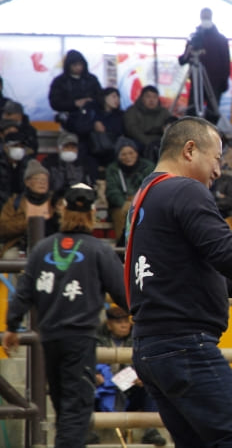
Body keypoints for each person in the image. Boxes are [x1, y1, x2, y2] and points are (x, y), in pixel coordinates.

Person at [126, 116, 232, 448]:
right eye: (217, 159)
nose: (219, 171)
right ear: (190, 150)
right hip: (185, 344)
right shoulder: (185, 188)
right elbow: (224, 251)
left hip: (150, 347)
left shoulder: (143, 198)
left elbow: (202, 274)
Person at [2, 183, 127, 448]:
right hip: (80, 340)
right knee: (75, 412)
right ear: (92, 214)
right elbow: (124, 294)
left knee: (62, 408)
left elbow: (23, 293)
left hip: (50, 339)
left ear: (62, 210)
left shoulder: (42, 249)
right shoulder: (99, 250)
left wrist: (12, 326)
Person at [91, 305, 167, 446]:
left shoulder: (138, 340)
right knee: (86, 385)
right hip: (103, 392)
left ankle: (151, 431)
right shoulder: (95, 340)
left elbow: (146, 364)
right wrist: (94, 375)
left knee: (150, 384)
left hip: (129, 392)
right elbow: (86, 364)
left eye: (126, 321)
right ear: (109, 325)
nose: (124, 325)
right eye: (119, 322)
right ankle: (89, 431)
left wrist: (141, 376)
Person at [178, 8, 230, 124]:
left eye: (207, 16)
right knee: (193, 110)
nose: (205, 18)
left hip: (215, 83)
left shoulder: (220, 39)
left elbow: (226, 63)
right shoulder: (194, 38)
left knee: (212, 112)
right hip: (196, 81)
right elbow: (184, 58)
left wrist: (223, 83)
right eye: (204, 16)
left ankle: (210, 135)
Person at [48, 49, 103, 154]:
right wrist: (74, 104)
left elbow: (100, 97)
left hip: (90, 121)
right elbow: (54, 102)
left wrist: (90, 101)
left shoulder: (91, 79)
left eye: (80, 64)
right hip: (68, 122)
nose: (78, 67)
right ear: (68, 66)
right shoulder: (60, 81)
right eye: (75, 65)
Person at [0, 159, 57, 259]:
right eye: (38, 179)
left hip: (52, 245)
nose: (42, 183)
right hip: (19, 245)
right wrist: (30, 223)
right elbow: (3, 228)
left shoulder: (55, 202)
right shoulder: (15, 202)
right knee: (9, 257)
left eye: (45, 180)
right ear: (27, 182)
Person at [105, 137, 155, 243]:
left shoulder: (148, 167)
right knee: (122, 212)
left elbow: (150, 187)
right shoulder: (113, 169)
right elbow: (112, 190)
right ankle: (124, 245)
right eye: (123, 154)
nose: (128, 157)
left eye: (131, 153)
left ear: (136, 153)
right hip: (121, 204)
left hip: (143, 203)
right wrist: (124, 203)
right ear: (118, 156)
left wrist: (136, 202)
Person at [123, 85, 172, 152]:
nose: (151, 100)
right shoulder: (132, 111)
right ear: (142, 98)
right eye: (148, 97)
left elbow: (172, 125)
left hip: (160, 141)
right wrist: (149, 142)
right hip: (138, 142)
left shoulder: (164, 112)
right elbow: (133, 130)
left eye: (155, 97)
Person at [91, 86, 125, 166]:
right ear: (104, 98)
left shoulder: (121, 115)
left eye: (118, 97)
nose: (117, 99)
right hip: (98, 148)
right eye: (113, 96)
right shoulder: (96, 114)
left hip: (115, 147)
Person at [0, 131, 33, 208]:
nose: (19, 149)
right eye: (15, 146)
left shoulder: (29, 164)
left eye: (21, 146)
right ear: (5, 147)